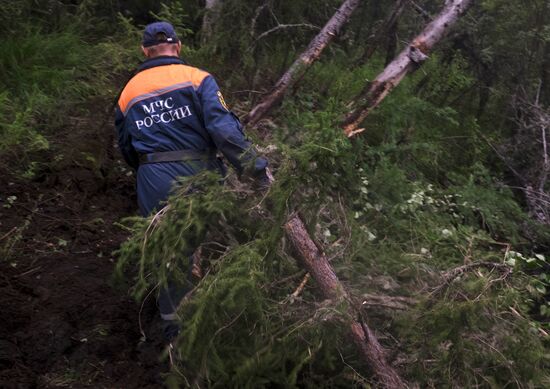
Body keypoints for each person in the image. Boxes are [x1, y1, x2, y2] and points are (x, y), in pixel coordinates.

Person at [115, 21, 269, 341]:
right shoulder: (197, 79)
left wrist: (148, 173)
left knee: (168, 251)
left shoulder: (128, 93)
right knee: (211, 241)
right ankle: (221, 320)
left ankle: (175, 333)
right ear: (179, 46)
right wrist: (254, 170)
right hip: (199, 174)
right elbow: (225, 132)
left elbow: (126, 148)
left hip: (151, 177)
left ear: (145, 51)